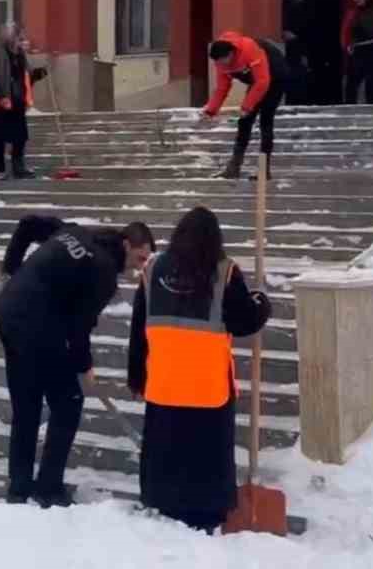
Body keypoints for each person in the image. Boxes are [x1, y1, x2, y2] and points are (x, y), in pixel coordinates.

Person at [0, 214, 156, 507]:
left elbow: (28, 224)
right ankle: (49, 488)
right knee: (68, 404)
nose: (140, 267)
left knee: (26, 406)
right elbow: (80, 326)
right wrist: (84, 367)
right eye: (140, 258)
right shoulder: (104, 270)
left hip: (10, 316)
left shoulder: (76, 231)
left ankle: (19, 489)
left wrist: (12, 269)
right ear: (127, 244)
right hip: (36, 328)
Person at [127, 207, 272, 534]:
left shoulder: (153, 269)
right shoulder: (224, 272)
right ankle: (206, 513)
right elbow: (244, 321)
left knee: (167, 451)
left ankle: (165, 502)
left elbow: (138, 329)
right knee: (206, 456)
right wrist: (261, 302)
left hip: (163, 384)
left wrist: (136, 377)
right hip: (208, 387)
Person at [200, 32, 290, 179]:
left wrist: (247, 106)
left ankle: (264, 171)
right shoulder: (220, 60)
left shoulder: (249, 49)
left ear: (231, 53)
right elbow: (222, 87)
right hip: (256, 81)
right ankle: (234, 168)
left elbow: (263, 82)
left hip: (276, 76)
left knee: (266, 120)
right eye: (219, 62)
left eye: (224, 60)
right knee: (244, 122)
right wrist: (211, 110)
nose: (222, 64)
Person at [0, 23, 44, 180]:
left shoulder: (20, 55)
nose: (19, 40)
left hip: (17, 101)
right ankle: (0, 169)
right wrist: (1, 96)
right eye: (16, 36)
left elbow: (25, 77)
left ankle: (18, 168)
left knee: (19, 137)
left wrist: (38, 74)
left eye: (19, 36)